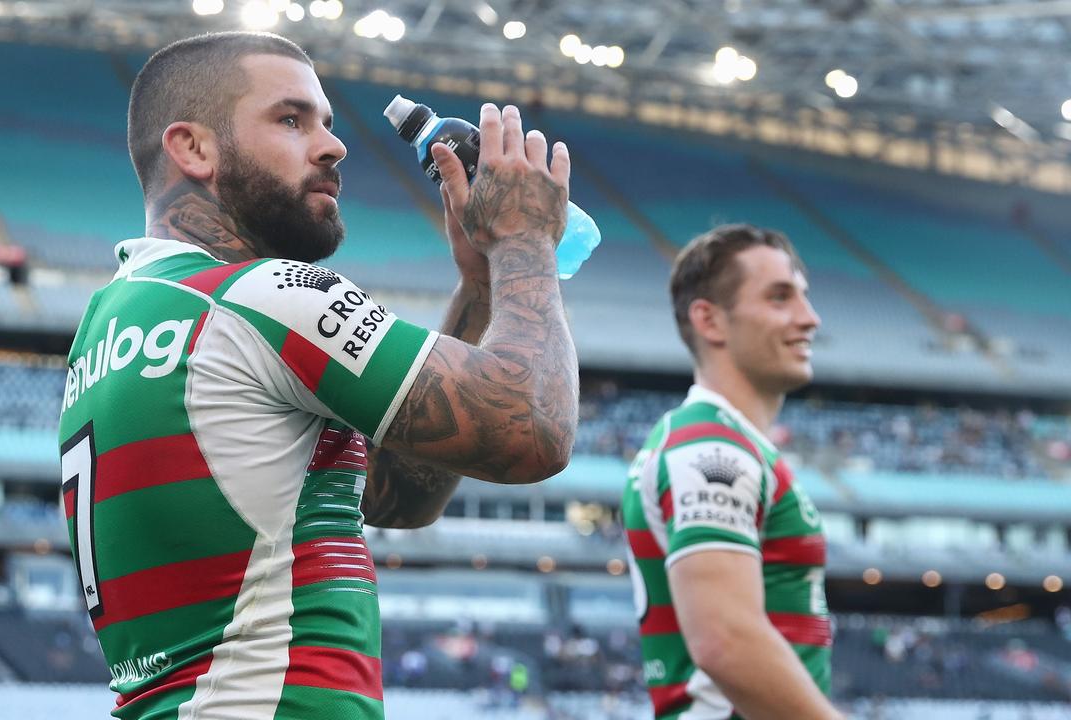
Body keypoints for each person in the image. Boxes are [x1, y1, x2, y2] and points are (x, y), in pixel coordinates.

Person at [57, 31, 579, 720]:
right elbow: (532, 428)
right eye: (291, 120)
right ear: (193, 149)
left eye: (328, 124)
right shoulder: (256, 296)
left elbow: (396, 497)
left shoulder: (112, 322)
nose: (333, 147)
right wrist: (525, 243)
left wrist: (480, 290)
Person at [621, 225, 839, 719]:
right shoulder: (711, 447)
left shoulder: (722, 441)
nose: (810, 318)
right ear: (710, 320)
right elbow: (725, 641)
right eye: (780, 298)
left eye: (804, 297)